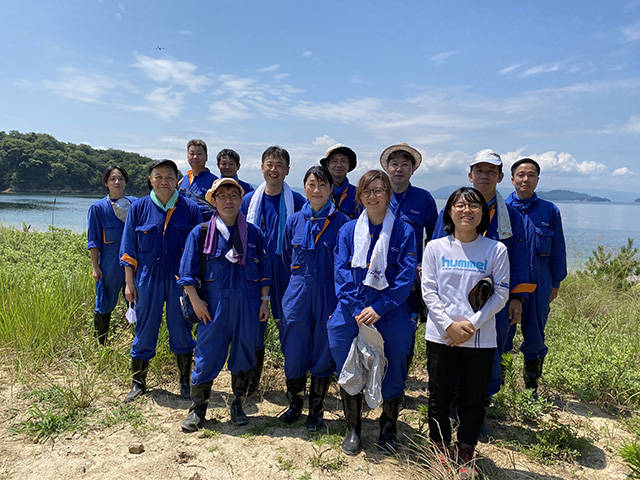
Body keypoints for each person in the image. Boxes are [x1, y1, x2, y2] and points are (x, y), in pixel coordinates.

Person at [433, 149, 534, 406]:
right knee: (451, 344)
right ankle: (453, 400)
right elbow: (436, 249)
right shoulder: (451, 210)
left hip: (494, 302)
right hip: (453, 296)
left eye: (491, 171)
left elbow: (519, 257)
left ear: (501, 177)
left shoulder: (509, 215)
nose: (484, 176)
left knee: (491, 348)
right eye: (479, 171)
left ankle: (481, 401)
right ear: (470, 175)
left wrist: (517, 298)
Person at [327, 169, 417, 456]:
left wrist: (379, 308)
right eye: (367, 191)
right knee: (346, 363)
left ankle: (388, 427)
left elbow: (405, 278)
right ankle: (353, 427)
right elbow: (341, 272)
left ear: (389, 194)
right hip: (352, 310)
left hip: (390, 311)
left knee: (394, 367)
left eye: (379, 190)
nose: (373, 196)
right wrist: (357, 309)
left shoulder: (404, 231)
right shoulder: (347, 231)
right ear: (360, 196)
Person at [422, 187, 510, 479]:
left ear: (484, 214)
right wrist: (449, 325)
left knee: (474, 397)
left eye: (474, 206)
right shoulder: (435, 247)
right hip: (441, 336)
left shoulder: (495, 249)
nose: (466, 211)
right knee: (439, 395)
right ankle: (439, 448)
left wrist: (470, 325)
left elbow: (501, 294)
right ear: (449, 211)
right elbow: (429, 292)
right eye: (459, 205)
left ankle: (466, 449)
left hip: (480, 338)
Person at [178, 178, 271, 431]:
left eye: (233, 195)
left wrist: (264, 301)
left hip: (248, 307)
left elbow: (264, 271)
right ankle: (198, 410)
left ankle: (238, 405)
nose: (228, 200)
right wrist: (195, 300)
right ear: (214, 201)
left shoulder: (254, 234)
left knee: (244, 355)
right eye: (222, 196)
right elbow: (187, 273)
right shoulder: (202, 232)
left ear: (241, 200)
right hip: (213, 308)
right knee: (206, 356)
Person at [120, 159, 202, 402]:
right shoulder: (139, 208)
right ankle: (138, 383)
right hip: (147, 278)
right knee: (144, 330)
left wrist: (196, 284)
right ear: (150, 180)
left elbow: (198, 251)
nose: (164, 181)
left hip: (180, 279)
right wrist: (128, 282)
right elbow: (128, 248)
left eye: (169, 177)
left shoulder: (190, 208)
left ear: (177, 180)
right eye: (158, 177)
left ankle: (185, 382)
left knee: (182, 331)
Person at [279, 166, 350, 431]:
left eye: (322, 185)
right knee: (294, 349)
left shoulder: (343, 223)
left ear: (331, 189)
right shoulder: (294, 221)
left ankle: (316, 408)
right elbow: (286, 258)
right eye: (311, 185)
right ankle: (294, 403)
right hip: (297, 294)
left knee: (323, 350)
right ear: (304, 188)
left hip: (329, 295)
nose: (317, 190)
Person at [240, 146, 306, 394]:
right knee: (251, 326)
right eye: (269, 164)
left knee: (289, 324)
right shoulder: (247, 201)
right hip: (253, 271)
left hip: (285, 271)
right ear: (261, 167)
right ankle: (251, 382)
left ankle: (293, 383)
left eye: (279, 165)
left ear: (288, 170)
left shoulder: (297, 202)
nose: (273, 169)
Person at [506, 158, 567, 396]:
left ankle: (531, 388)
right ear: (511, 179)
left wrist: (555, 283)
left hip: (539, 283)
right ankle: (497, 387)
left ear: (537, 180)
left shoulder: (549, 211)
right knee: (503, 335)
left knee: (535, 336)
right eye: (520, 175)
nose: (525, 179)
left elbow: (558, 248)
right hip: (509, 283)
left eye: (531, 175)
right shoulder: (502, 208)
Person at [379, 143, 439, 369]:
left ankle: (399, 380)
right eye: (394, 164)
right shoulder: (377, 195)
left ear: (413, 170)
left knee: (406, 329)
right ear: (387, 168)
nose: (399, 169)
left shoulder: (424, 199)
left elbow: (435, 238)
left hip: (410, 278)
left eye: (405, 165)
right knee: (376, 323)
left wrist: (426, 265)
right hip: (379, 274)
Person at [87, 165, 136, 346]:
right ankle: (101, 345)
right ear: (106, 183)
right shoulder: (98, 208)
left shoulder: (134, 204)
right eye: (113, 179)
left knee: (136, 302)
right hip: (109, 263)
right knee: (104, 302)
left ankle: (138, 343)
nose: (117, 182)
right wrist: (95, 266)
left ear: (126, 182)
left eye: (121, 179)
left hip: (133, 263)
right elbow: (93, 241)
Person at [178, 139, 218, 221]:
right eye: (192, 154)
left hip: (202, 229)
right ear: (187, 156)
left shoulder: (214, 182)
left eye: (199, 154)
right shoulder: (184, 179)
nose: (195, 157)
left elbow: (216, 210)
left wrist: (190, 208)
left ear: (206, 157)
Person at [319, 143, 359, 219]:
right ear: (327, 164)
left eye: (343, 161)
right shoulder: (319, 191)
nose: (339, 165)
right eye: (334, 161)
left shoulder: (357, 194)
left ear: (349, 164)